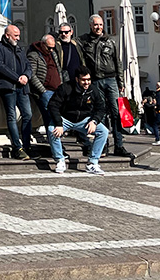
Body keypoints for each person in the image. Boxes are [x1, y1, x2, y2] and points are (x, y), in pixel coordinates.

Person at [79, 15, 132, 158]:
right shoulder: (84, 41)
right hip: (95, 80)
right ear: (90, 25)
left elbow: (118, 62)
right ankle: (102, 146)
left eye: (101, 24)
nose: (98, 27)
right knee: (99, 113)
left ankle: (119, 145)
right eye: (96, 25)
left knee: (117, 113)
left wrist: (121, 82)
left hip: (111, 79)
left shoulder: (110, 41)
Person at [46, 68, 110, 175]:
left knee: (103, 131)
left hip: (84, 120)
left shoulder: (93, 90)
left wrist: (94, 121)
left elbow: (101, 108)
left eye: (88, 80)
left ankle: (92, 163)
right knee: (52, 130)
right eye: (83, 80)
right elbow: (53, 105)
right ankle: (60, 160)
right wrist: (58, 123)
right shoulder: (65, 88)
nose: (87, 83)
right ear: (77, 79)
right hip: (65, 118)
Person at [0, 23, 33, 160]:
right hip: (8, 87)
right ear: (7, 35)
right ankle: (17, 147)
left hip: (22, 87)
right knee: (11, 116)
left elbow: (28, 65)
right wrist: (17, 78)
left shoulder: (20, 49)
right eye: (16, 35)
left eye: (19, 35)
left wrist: (26, 76)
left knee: (28, 114)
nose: (18, 38)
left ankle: (27, 145)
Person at [27, 34, 62, 144]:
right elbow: (32, 75)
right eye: (49, 47)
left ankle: (57, 144)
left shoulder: (53, 54)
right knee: (50, 117)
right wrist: (43, 91)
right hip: (45, 91)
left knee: (58, 117)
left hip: (57, 91)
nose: (51, 50)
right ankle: (55, 144)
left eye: (53, 47)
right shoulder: (34, 55)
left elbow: (58, 70)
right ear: (42, 45)